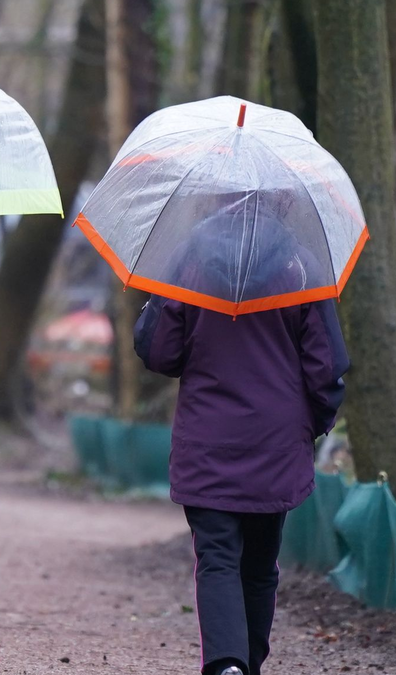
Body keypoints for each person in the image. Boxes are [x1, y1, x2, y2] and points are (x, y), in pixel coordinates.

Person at [133, 211, 349, 675]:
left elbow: (160, 351)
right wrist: (314, 423)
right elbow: (326, 366)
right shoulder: (301, 266)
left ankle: (226, 665)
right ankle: (246, 664)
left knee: (216, 558)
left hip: (207, 438)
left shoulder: (189, 259)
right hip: (277, 442)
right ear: (282, 203)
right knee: (259, 563)